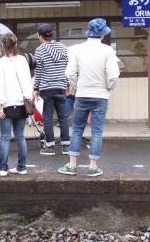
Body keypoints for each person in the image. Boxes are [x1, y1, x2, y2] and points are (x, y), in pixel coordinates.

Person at [58, 18, 120, 177]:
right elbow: (113, 75)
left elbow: (69, 73)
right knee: (97, 131)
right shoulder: (108, 51)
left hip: (82, 95)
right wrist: (108, 88)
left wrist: (77, 87)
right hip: (100, 96)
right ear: (103, 34)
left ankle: (72, 166)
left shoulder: (77, 49)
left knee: (77, 130)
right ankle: (93, 167)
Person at [0, 33, 33, 176]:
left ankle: (3, 168)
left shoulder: (0, 63)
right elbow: (28, 82)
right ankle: (21, 167)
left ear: (3, 46)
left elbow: (0, 86)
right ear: (15, 45)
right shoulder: (23, 60)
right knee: (20, 136)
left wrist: (0, 105)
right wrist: (29, 99)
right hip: (22, 103)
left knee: (5, 137)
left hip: (7, 104)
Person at [33, 23, 70, 156]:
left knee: (48, 118)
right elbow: (67, 69)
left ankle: (50, 147)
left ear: (40, 36)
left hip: (46, 88)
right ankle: (66, 146)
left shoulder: (40, 50)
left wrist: (36, 88)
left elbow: (39, 71)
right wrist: (67, 85)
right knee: (64, 118)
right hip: (60, 87)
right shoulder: (63, 48)